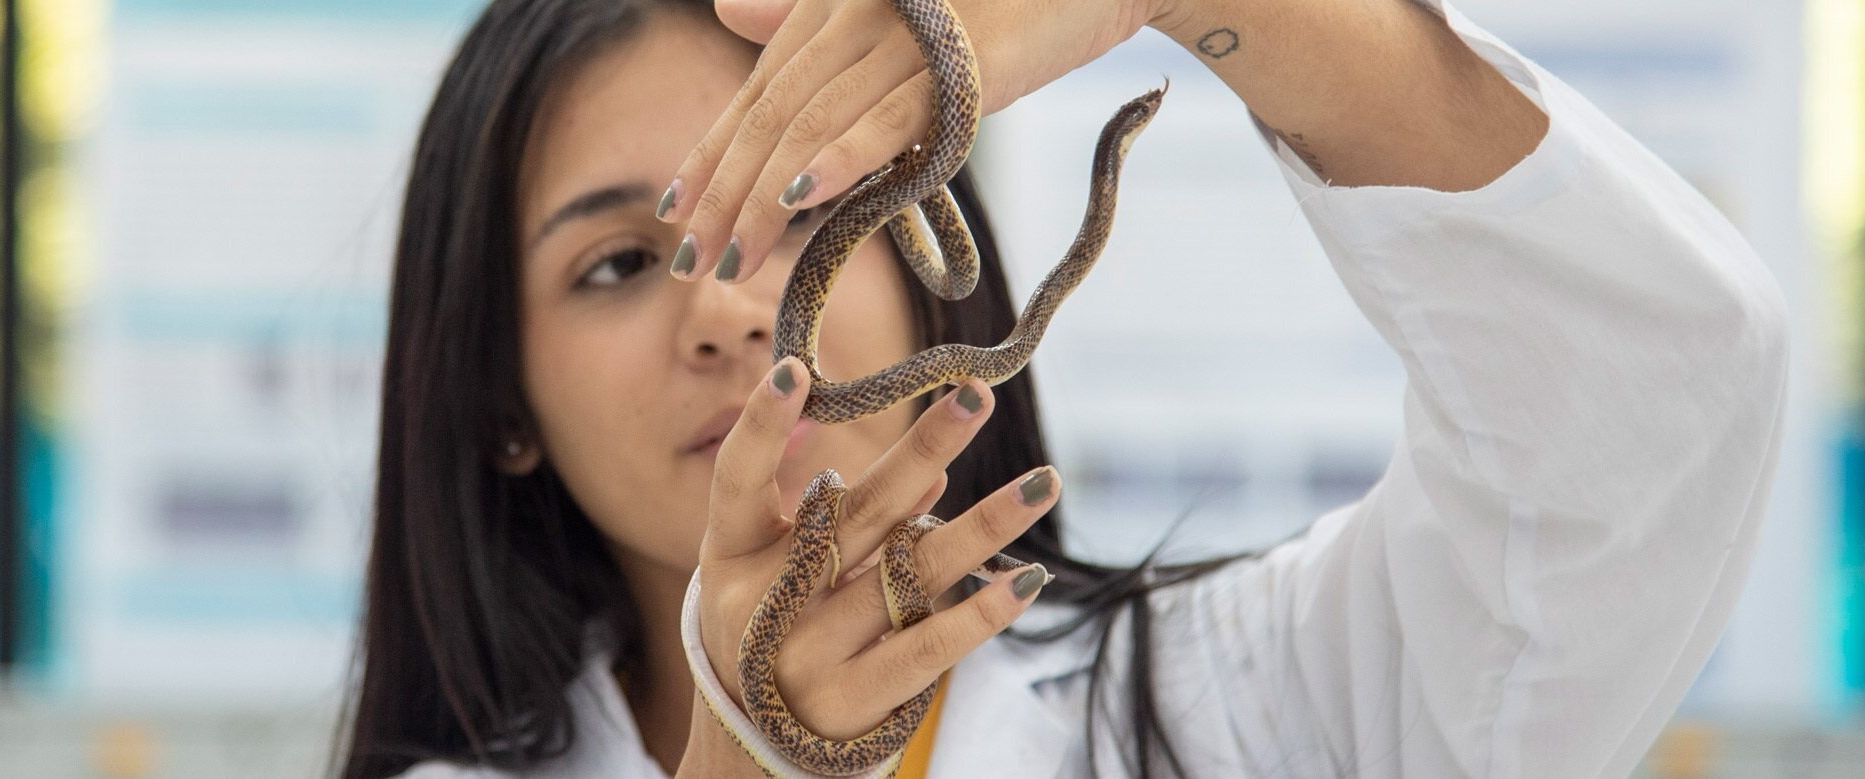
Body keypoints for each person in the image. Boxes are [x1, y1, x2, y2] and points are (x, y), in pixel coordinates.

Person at [334, 0, 1790, 775]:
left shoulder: (1254, 703)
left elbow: (1655, 390)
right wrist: (744, 761)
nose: (726, 306)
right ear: (498, 403)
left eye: (806, 199)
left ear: (930, 274)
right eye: (614, 264)